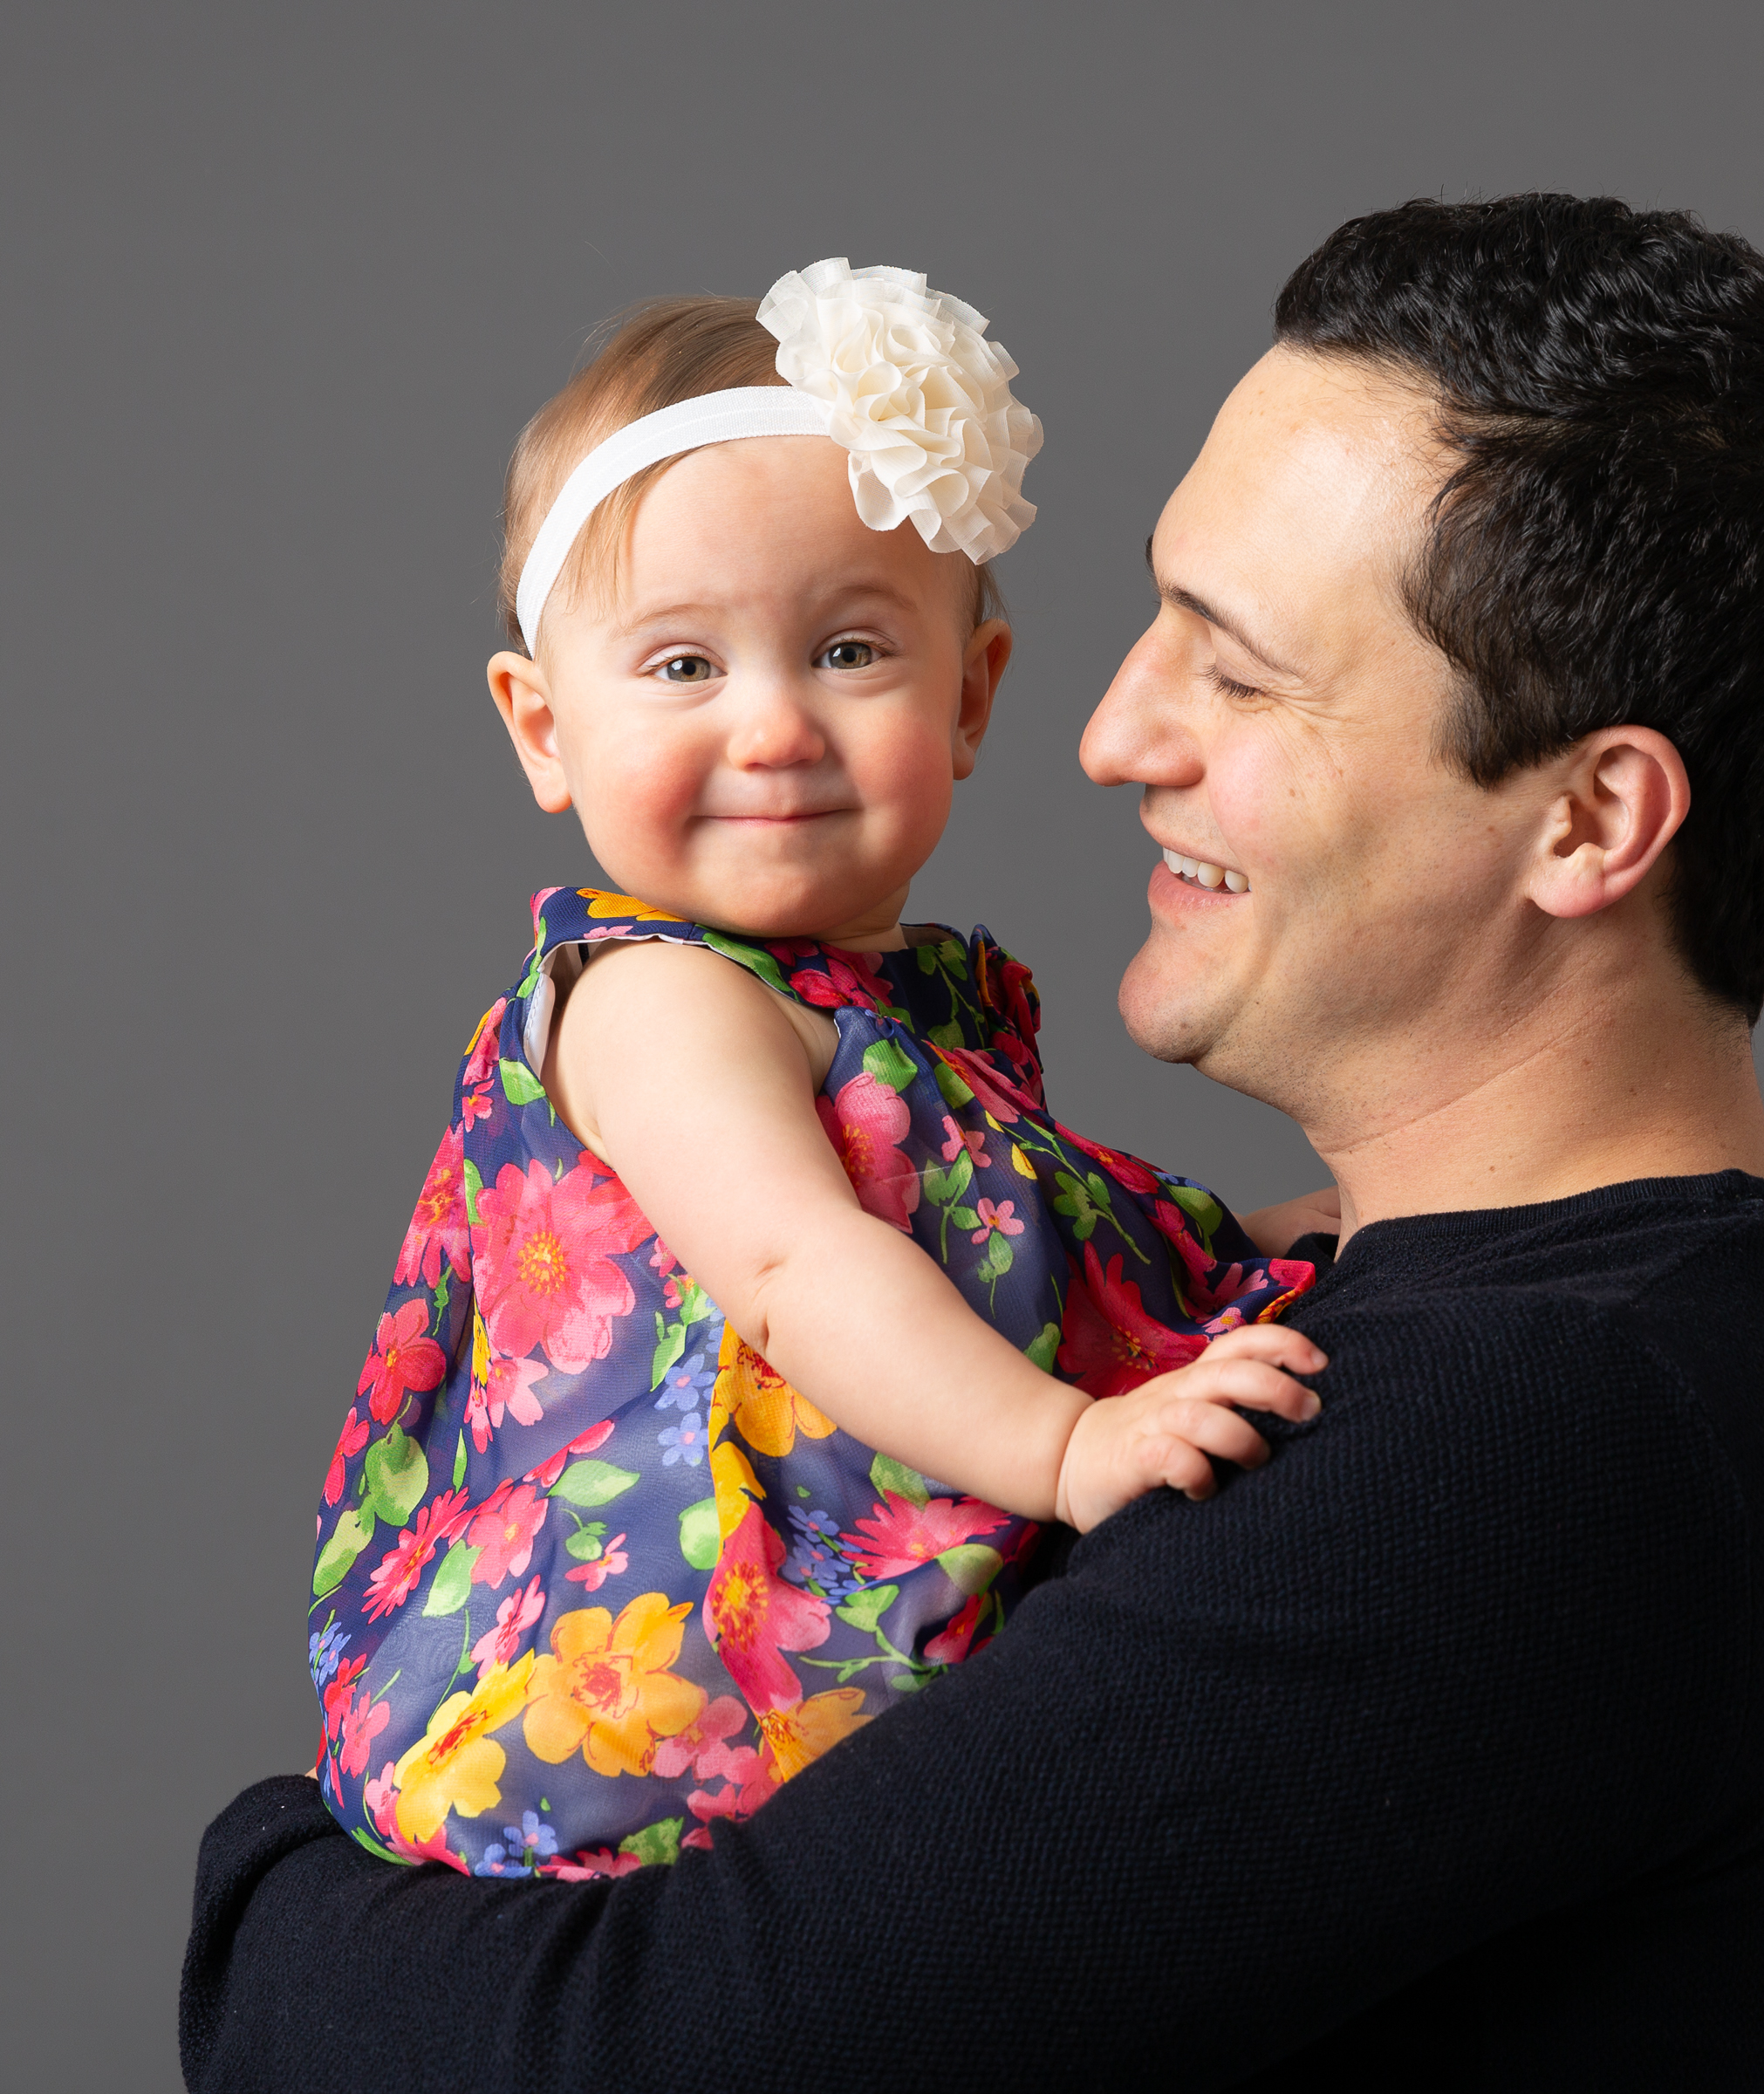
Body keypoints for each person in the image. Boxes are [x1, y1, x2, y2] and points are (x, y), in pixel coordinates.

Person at [182, 195, 1764, 2092]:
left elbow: (629, 2057)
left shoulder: (1526, 1445)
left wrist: (264, 1885)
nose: (1111, 736)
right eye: (1156, 620)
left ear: (1590, 822)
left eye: (1239, 670)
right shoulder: (1486, 1336)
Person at [305, 257, 1326, 1879]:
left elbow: (1025, 1254)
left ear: (972, 694)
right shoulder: (650, 1000)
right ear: (543, 726)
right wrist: (1069, 1449)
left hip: (847, 1611)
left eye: (850, 652)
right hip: (660, 1659)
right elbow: (795, 1269)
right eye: (683, 667)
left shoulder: (900, 1011)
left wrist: (1303, 1234)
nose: (774, 727)